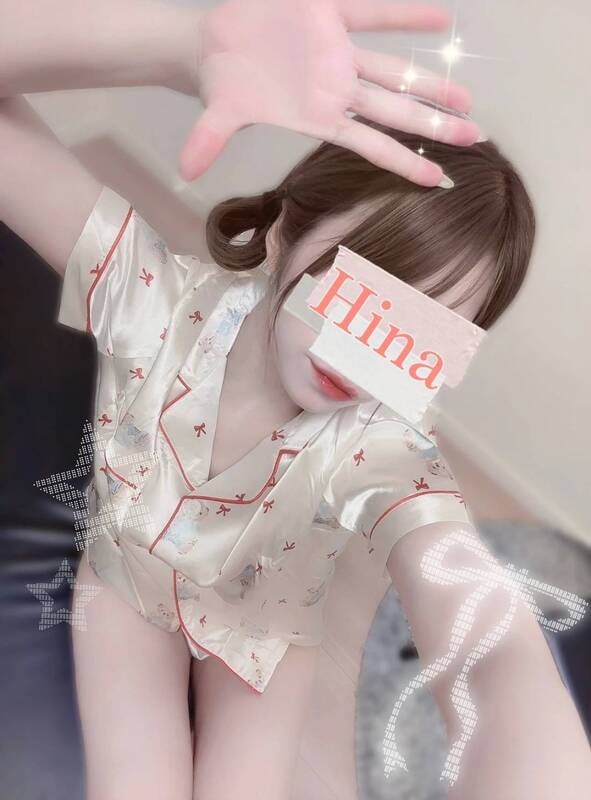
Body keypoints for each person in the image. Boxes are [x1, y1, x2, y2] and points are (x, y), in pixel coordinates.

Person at [1, 1, 590, 799]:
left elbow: (474, 609)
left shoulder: (381, 442)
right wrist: (176, 46)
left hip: (264, 636)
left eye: (420, 327)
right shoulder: (145, 297)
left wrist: (524, 718)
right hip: (126, 591)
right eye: (363, 285)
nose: (364, 349)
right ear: (282, 227)